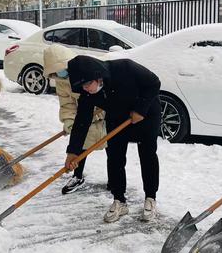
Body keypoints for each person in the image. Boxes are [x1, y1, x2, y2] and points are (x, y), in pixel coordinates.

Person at [64, 55, 161, 223]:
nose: (86, 89)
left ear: (97, 75)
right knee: (114, 157)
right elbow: (82, 121)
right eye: (82, 87)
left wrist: (141, 109)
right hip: (117, 117)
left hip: (145, 115)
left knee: (147, 155)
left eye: (88, 84)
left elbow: (154, 83)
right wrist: (73, 151)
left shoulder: (125, 68)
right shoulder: (87, 92)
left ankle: (150, 198)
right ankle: (119, 200)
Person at [43, 45, 106, 194]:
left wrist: (99, 112)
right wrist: (70, 121)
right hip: (83, 117)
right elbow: (67, 104)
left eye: (63, 68)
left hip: (103, 114)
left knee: (113, 148)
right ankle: (77, 176)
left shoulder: (86, 70)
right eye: (56, 70)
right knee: (80, 145)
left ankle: (115, 180)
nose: (61, 72)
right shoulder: (61, 81)